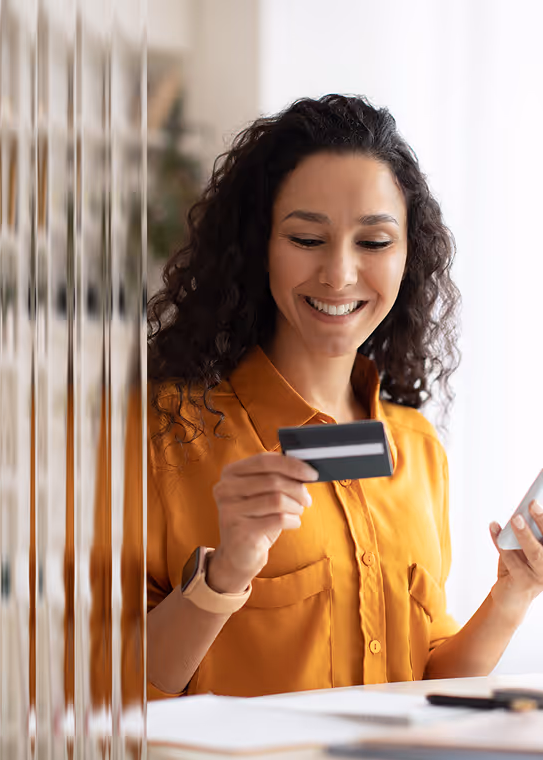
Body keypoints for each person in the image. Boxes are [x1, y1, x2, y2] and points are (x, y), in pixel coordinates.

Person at [145, 94, 543, 699]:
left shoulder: (417, 448)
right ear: (260, 247)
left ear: (409, 257)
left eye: (375, 243)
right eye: (307, 239)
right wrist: (224, 573)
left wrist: (513, 593)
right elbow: (105, 689)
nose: (338, 275)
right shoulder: (163, 433)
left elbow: (427, 685)